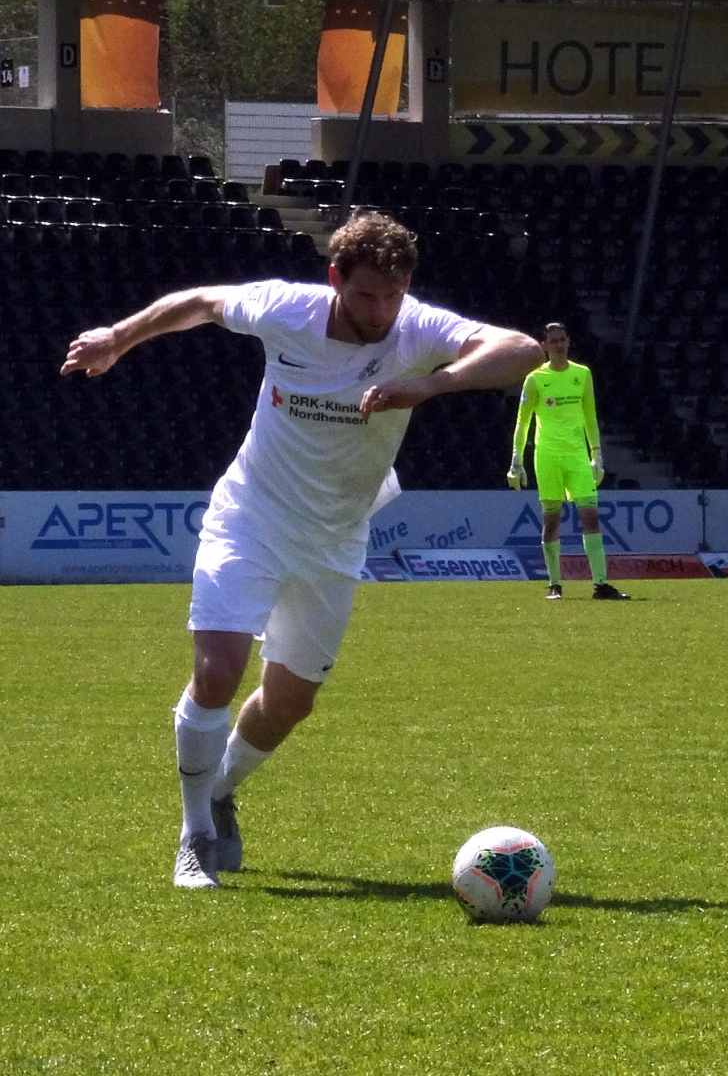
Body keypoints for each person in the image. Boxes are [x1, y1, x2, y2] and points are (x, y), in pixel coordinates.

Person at [61, 210, 544, 889]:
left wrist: (430, 383)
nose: (381, 310)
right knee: (218, 670)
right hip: (251, 516)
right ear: (335, 280)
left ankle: (220, 790)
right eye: (367, 295)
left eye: (394, 294)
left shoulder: (417, 328)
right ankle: (194, 835)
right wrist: (118, 337)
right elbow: (199, 303)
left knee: (289, 703)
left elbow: (522, 349)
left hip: (334, 539)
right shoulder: (288, 308)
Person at [506, 321, 630, 602]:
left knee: (591, 517)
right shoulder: (536, 379)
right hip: (547, 456)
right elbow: (523, 422)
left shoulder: (582, 374)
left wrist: (597, 454)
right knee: (552, 520)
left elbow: (590, 416)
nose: (559, 345)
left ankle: (601, 584)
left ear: (569, 341)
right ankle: (554, 585)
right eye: (554, 341)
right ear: (544, 346)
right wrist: (516, 460)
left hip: (577, 457)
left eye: (562, 340)